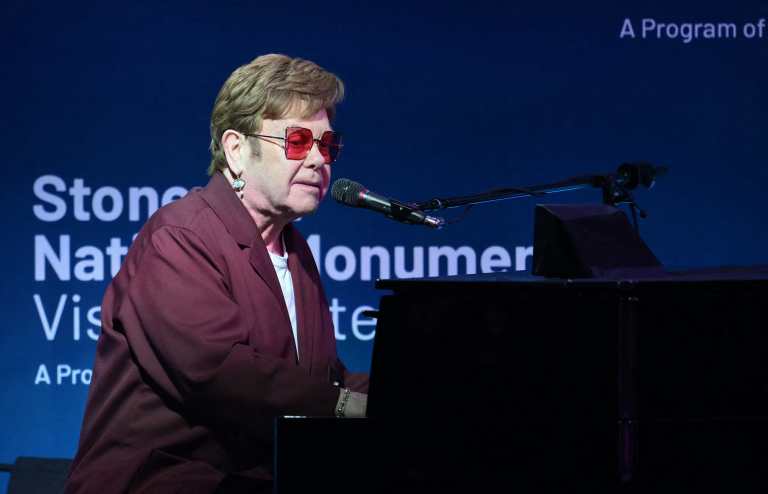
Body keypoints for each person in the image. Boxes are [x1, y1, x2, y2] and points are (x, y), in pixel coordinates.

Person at [65, 54, 369, 494]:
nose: (318, 160)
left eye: (328, 146)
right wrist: (342, 404)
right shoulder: (181, 236)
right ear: (236, 149)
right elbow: (220, 372)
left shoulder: (295, 252)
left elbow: (319, 378)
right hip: (161, 481)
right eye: (298, 141)